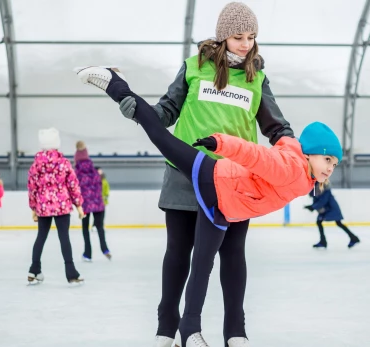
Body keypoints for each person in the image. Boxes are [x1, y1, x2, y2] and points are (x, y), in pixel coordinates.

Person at [74, 66, 342, 346]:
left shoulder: (299, 164)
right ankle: (116, 85)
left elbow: (284, 136)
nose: (330, 169)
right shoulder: (290, 168)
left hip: (227, 199)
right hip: (216, 182)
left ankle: (195, 330)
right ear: (310, 154)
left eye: (334, 165)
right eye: (327, 161)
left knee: (204, 261)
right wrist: (220, 142)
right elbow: (255, 155)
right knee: (161, 139)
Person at [116, 3, 293, 346]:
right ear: (223, 36)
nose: (246, 43)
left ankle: (235, 331)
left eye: (252, 37)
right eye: (238, 36)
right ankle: (166, 328)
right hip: (185, 172)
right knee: (179, 252)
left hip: (236, 180)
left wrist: (296, 150)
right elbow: (166, 111)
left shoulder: (257, 75)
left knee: (233, 253)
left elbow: (275, 125)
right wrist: (139, 112)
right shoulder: (194, 67)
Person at [27, 128, 86, 284]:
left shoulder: (36, 165)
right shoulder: (63, 163)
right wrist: (79, 206)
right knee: (64, 238)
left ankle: (34, 269)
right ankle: (71, 272)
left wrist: (33, 208)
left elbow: (32, 187)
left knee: (41, 237)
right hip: (62, 205)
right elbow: (73, 184)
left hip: (43, 207)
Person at [75, 141, 111, 261]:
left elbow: (75, 189)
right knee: (100, 227)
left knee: (85, 229)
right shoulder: (94, 171)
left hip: (85, 205)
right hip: (98, 204)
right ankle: (105, 248)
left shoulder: (77, 173)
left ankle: (87, 253)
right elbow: (100, 185)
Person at [304, 183, 360, 248]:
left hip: (331, 209)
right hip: (325, 209)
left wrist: (313, 207)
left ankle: (353, 238)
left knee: (337, 223)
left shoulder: (325, 189)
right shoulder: (315, 189)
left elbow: (323, 200)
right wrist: (312, 206)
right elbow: (316, 199)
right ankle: (323, 241)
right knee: (323, 222)